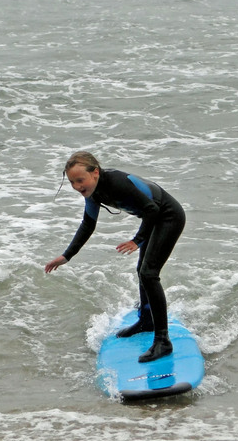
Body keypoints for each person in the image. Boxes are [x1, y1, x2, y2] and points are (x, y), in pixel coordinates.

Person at [44, 151, 185, 363]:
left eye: (80, 180)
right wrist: (67, 256)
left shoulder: (117, 182)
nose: (77, 186)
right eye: (72, 182)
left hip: (168, 216)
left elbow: (152, 209)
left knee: (149, 273)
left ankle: (163, 342)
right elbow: (88, 224)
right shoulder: (93, 192)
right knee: (143, 271)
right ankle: (147, 320)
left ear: (95, 173)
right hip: (154, 218)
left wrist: (137, 240)